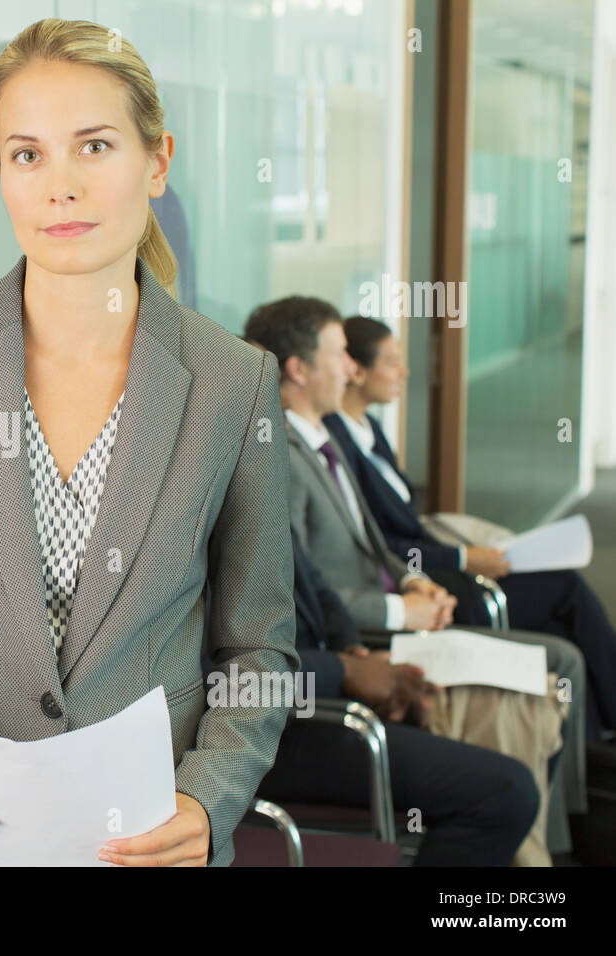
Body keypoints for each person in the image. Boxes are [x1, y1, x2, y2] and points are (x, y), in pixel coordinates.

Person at [0, 17, 299, 867]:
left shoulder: (235, 382)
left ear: (157, 162)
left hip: (147, 839)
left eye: (96, 147)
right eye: (28, 154)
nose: (59, 187)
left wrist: (211, 792)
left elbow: (257, 641)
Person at [244, 297, 590, 855]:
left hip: (340, 660)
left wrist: (402, 590)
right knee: (507, 771)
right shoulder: (264, 460)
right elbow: (250, 638)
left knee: (539, 684)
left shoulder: (325, 439)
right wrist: (356, 660)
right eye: (342, 356)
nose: (353, 369)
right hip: (294, 712)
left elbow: (320, 576)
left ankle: (549, 846)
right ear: (298, 370)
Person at [325, 314, 616, 743]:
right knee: (565, 595)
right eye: (392, 361)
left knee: (559, 626)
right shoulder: (335, 444)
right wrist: (461, 559)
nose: (404, 371)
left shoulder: (369, 431)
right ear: (357, 370)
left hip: (428, 571)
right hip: (431, 581)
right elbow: (380, 543)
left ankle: (587, 741)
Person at [259, 528, 541, 865]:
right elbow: (219, 683)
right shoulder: (192, 516)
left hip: (327, 693)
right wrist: (343, 670)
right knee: (506, 793)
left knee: (513, 705)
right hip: (268, 732)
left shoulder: (259, 488)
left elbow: (317, 588)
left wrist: (355, 652)